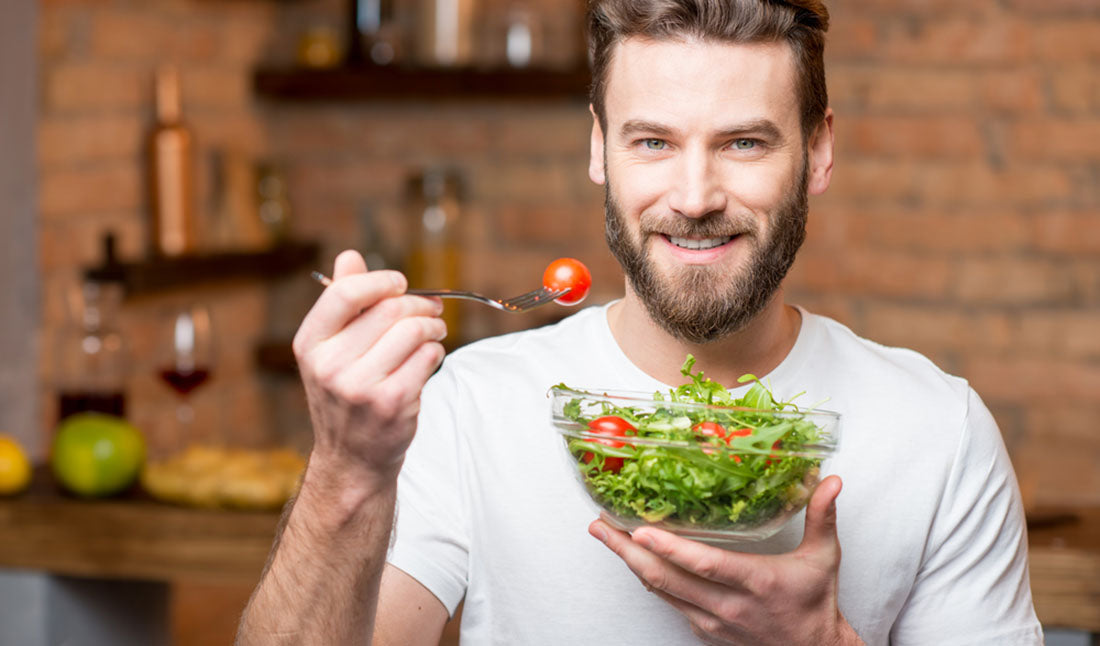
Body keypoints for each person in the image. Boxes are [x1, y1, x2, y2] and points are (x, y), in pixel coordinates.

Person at [237, 1, 1043, 644]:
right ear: (599, 149)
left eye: (744, 143)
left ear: (819, 150)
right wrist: (346, 470)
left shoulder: (939, 431)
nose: (694, 196)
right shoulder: (469, 409)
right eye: (653, 140)